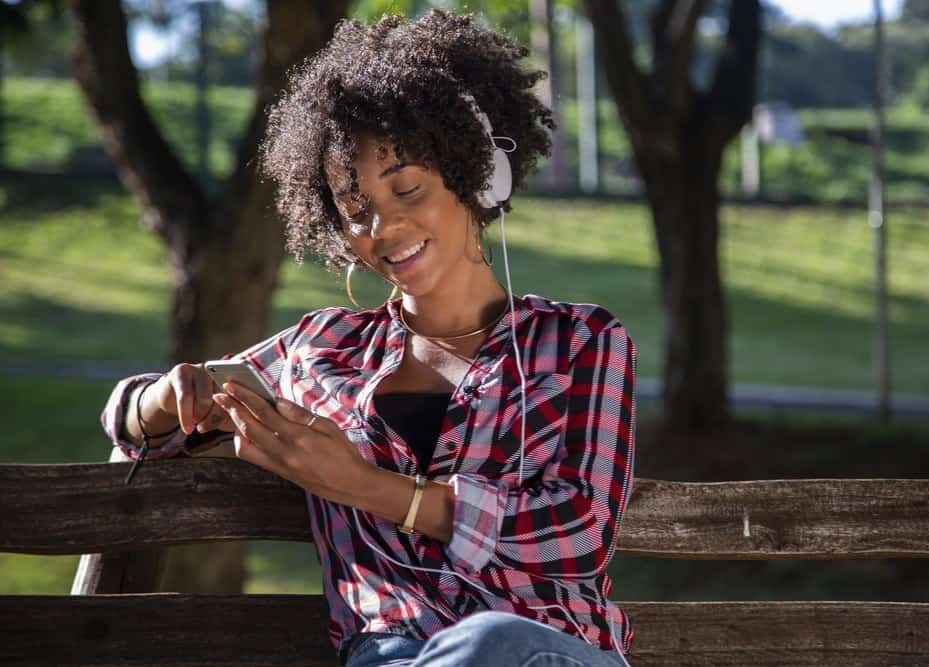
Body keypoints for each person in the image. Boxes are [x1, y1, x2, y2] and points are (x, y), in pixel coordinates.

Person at [100, 10, 637, 667]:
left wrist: (365, 485)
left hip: (544, 653)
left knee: (488, 642)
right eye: (356, 212)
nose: (384, 225)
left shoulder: (582, 341)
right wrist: (163, 397)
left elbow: (581, 532)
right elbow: (137, 427)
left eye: (407, 187)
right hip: (390, 654)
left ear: (477, 174)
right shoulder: (322, 351)